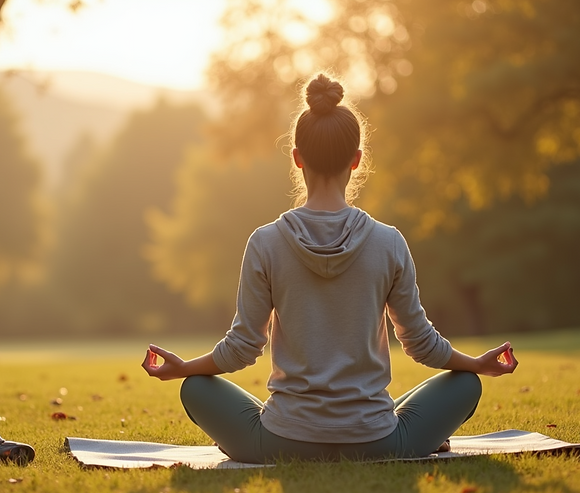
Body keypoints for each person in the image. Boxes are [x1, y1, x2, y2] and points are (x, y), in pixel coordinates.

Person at [142, 73, 518, 464]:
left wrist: (184, 368)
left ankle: (259, 438)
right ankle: (413, 437)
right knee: (465, 385)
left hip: (281, 442)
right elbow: (419, 342)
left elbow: (242, 348)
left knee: (195, 388)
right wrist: (475, 364)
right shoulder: (389, 242)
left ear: (296, 157)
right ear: (356, 161)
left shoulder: (265, 242)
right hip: (378, 440)